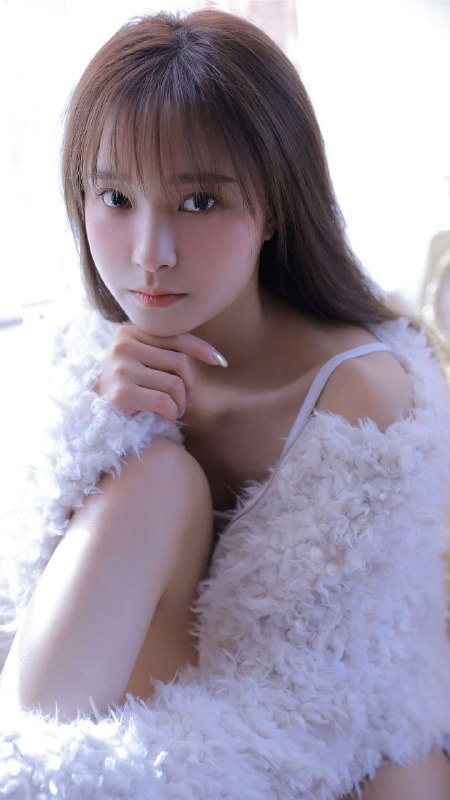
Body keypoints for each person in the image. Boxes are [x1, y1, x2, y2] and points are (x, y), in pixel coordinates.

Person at [0, 9, 449, 799]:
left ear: (273, 205)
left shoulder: (359, 405)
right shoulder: (85, 352)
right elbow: (28, 625)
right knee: (154, 474)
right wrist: (98, 428)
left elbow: (314, 708)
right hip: (104, 717)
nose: (149, 255)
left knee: (406, 778)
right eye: (115, 196)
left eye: (199, 202)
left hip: (325, 721)